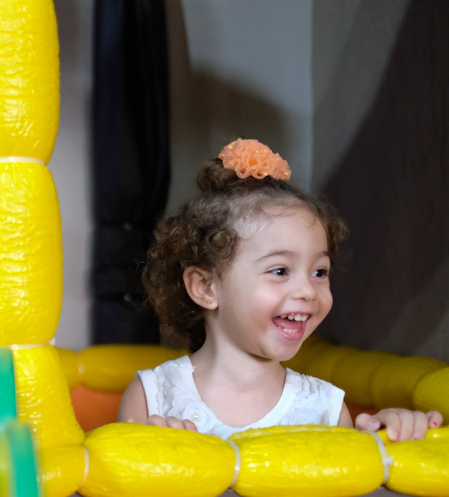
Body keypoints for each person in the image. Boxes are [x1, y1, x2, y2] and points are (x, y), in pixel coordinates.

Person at [118, 138, 442, 441]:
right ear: (205, 287)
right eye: (280, 270)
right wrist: (156, 449)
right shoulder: (152, 396)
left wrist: (389, 436)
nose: (307, 291)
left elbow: (347, 496)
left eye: (319, 271)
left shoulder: (326, 410)